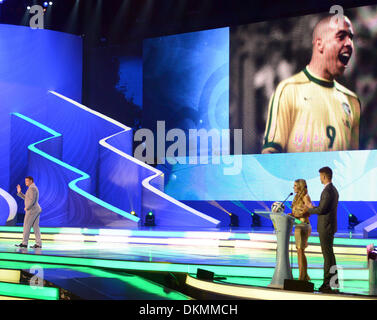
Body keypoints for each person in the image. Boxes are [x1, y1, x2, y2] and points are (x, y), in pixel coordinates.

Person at [262, 14, 360, 153]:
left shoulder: (352, 101)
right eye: (341, 36)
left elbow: (353, 159)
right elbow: (271, 153)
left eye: (351, 38)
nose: (349, 44)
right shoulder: (287, 89)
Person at [305, 167, 339, 293]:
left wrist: (309, 209)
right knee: (330, 255)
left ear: (324, 176)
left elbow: (322, 210)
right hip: (329, 226)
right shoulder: (332, 189)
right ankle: (333, 282)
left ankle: (328, 284)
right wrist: (313, 207)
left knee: (328, 256)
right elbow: (322, 208)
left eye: (320, 176)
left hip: (326, 227)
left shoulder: (328, 191)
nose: (320, 178)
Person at [289, 179, 313, 281]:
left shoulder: (305, 196)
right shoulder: (296, 197)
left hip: (303, 225)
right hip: (298, 225)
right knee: (299, 251)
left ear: (300, 186)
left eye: (295, 185)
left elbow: (311, 208)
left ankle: (302, 276)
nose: (293, 187)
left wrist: (302, 213)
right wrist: (293, 215)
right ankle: (303, 275)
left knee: (300, 250)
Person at [15, 176, 42, 249]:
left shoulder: (32, 188)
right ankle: (38, 244)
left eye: (27, 181)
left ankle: (24, 243)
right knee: (36, 227)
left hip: (32, 210)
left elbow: (32, 200)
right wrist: (19, 192)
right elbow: (27, 198)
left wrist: (27, 207)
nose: (25, 182)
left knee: (26, 226)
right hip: (35, 209)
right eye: (25, 181)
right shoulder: (32, 188)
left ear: (31, 181)